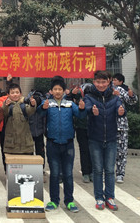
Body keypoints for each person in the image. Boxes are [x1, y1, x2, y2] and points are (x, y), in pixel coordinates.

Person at [38, 78, 85, 213]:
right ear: (51, 91)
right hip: (52, 143)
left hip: (68, 144)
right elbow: (39, 114)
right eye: (55, 89)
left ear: (64, 91)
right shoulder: (47, 103)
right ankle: (54, 201)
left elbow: (80, 115)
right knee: (54, 174)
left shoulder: (70, 104)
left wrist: (82, 109)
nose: (57, 91)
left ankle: (69, 201)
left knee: (68, 174)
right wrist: (42, 108)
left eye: (60, 89)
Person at [84, 70, 125, 211]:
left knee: (109, 170)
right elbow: (86, 108)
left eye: (103, 82)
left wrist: (121, 112)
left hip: (111, 139)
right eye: (98, 82)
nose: (100, 85)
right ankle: (99, 198)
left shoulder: (114, 97)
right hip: (95, 139)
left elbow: (121, 109)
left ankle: (110, 197)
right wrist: (92, 111)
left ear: (108, 82)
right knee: (97, 170)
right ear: (94, 82)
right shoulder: (89, 96)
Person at [112, 73, 138, 183]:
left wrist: (131, 95)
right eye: (112, 80)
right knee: (107, 152)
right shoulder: (106, 90)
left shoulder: (121, 90)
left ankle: (120, 174)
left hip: (121, 126)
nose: (113, 82)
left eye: (115, 80)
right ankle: (106, 173)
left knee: (121, 152)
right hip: (107, 125)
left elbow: (132, 101)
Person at [2, 83, 37, 156]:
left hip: (25, 145)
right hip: (11, 145)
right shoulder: (7, 106)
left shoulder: (24, 106)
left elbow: (30, 111)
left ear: (20, 94)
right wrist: (6, 105)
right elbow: (4, 112)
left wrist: (33, 105)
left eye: (17, 92)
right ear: (8, 95)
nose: (15, 94)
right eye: (12, 93)